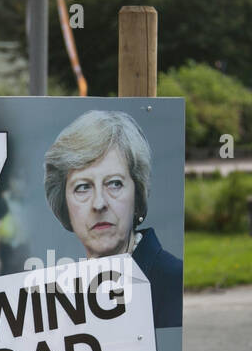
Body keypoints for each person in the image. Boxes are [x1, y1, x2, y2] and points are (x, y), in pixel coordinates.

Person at [43, 110, 182, 327]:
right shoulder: (62, 292)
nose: (99, 203)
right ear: (64, 204)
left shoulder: (172, 281)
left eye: (114, 183)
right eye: (82, 187)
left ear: (137, 194)